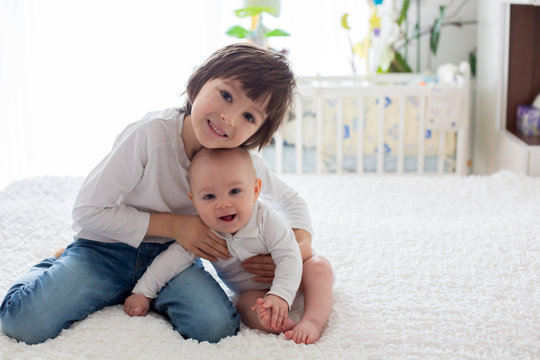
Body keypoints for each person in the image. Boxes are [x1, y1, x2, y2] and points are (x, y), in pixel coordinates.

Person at [0, 42, 333, 346]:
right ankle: (57, 262)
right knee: (24, 324)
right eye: (226, 95)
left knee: (215, 328)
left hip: (174, 258)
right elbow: (87, 211)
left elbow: (291, 202)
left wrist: (298, 244)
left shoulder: (242, 164)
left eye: (249, 116)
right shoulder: (149, 136)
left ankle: (144, 291)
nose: (228, 118)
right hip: (105, 248)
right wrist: (178, 226)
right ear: (196, 83)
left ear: (256, 133)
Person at [124, 147, 303, 334]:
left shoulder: (265, 219)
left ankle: (312, 320)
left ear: (256, 190)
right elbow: (171, 261)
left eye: (235, 191)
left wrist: (280, 294)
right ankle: (274, 322)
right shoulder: (204, 233)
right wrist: (143, 292)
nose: (223, 204)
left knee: (318, 269)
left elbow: (289, 256)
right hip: (253, 293)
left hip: (297, 277)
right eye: (209, 196)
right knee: (246, 305)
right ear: (194, 201)